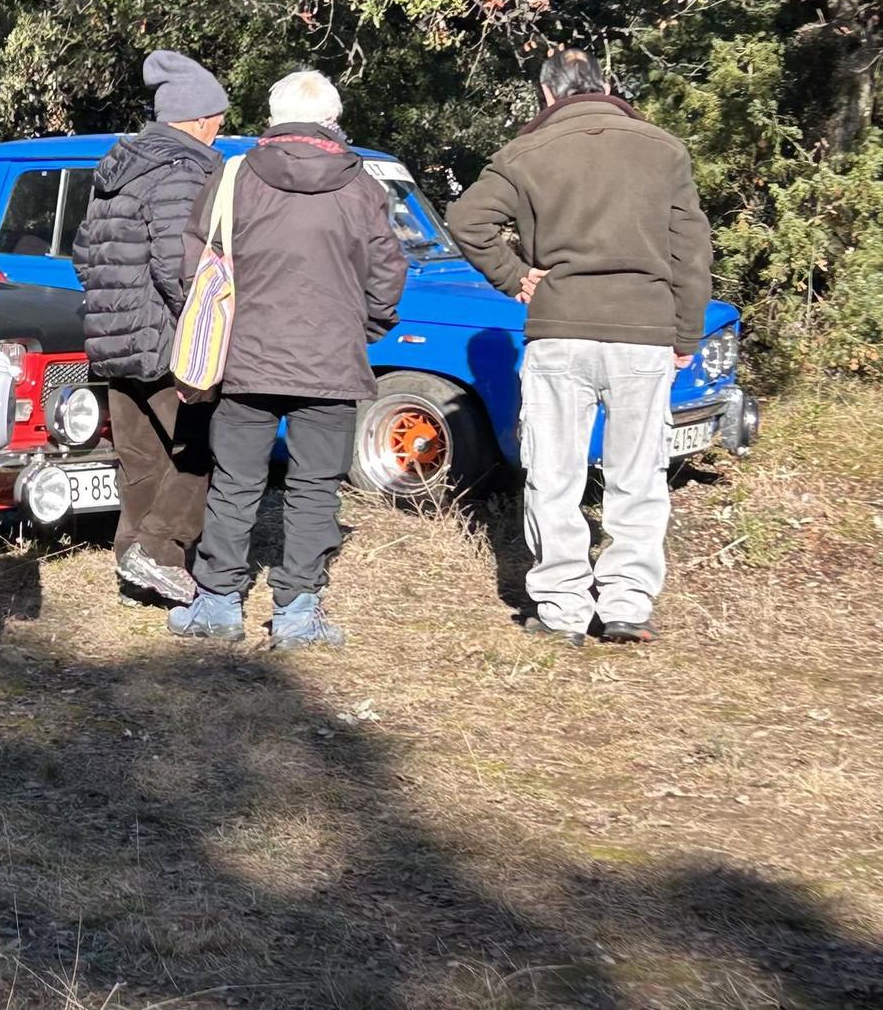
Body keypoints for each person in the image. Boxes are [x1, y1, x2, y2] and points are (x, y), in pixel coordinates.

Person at [449, 48, 712, 646]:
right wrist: (686, 335)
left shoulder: (524, 154)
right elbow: (692, 253)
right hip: (643, 334)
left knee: (555, 473)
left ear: (547, 95)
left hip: (560, 332)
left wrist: (515, 276)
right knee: (638, 474)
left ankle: (563, 607)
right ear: (604, 85)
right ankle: (626, 604)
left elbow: (468, 223)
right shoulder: (663, 149)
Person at [169, 70, 406, 648]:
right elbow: (387, 274)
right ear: (333, 120)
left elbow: (194, 265)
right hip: (331, 360)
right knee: (316, 487)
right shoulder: (364, 188)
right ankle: (298, 611)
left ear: (272, 117)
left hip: (246, 360)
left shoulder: (232, 178)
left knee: (235, 482)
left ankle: (219, 604)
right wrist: (364, 327)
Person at [71, 50, 230, 604]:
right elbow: (178, 263)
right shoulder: (181, 170)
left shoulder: (120, 168)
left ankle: (133, 565)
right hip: (166, 339)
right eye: (218, 120)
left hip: (113, 338)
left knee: (140, 460)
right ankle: (161, 555)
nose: (220, 131)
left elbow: (84, 253)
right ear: (198, 120)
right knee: (199, 448)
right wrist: (206, 326)